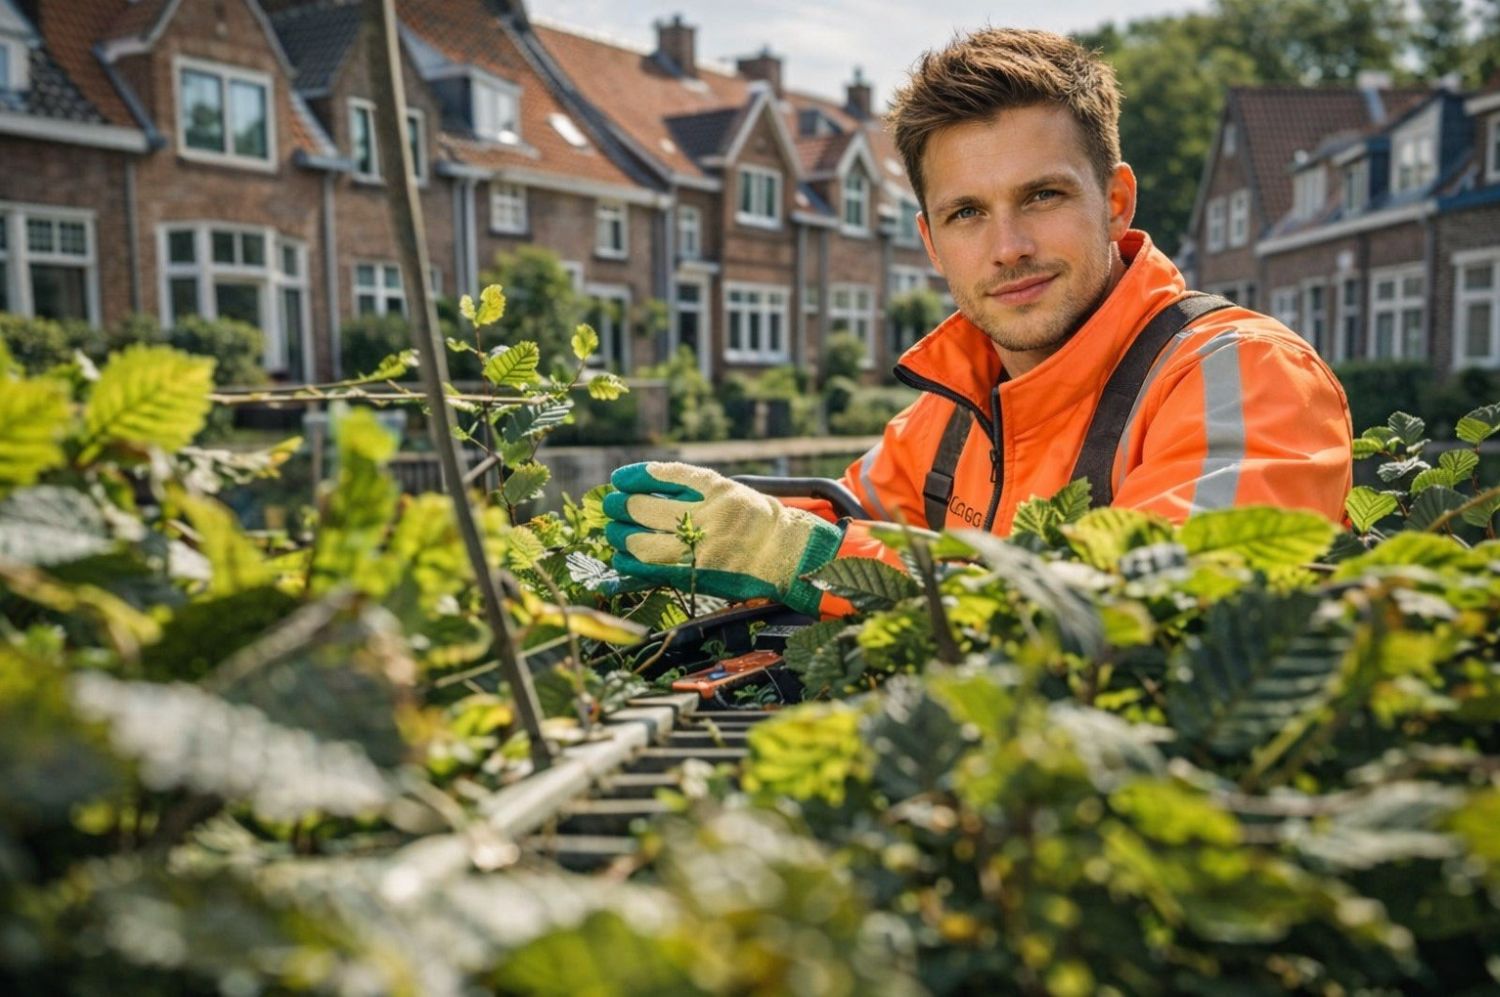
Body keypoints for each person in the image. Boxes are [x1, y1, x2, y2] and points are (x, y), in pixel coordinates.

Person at [603, 27, 1352, 618]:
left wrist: (805, 557)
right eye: (967, 213)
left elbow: (1156, 606)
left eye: (1043, 196)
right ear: (930, 242)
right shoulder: (953, 413)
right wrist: (712, 523)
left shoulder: (1244, 375)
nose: (1008, 248)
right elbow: (838, 514)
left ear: (1116, 202)